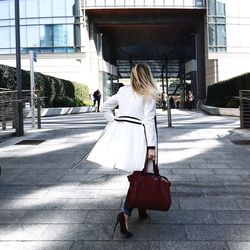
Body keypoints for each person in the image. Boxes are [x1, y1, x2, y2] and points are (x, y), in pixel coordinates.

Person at [86, 64, 158, 238]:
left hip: (125, 136)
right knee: (140, 174)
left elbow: (105, 108)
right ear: (147, 75)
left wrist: (115, 123)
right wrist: (151, 147)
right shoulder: (149, 93)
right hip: (141, 137)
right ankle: (125, 213)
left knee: (139, 174)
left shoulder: (123, 91)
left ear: (133, 75)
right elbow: (149, 121)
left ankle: (141, 211)